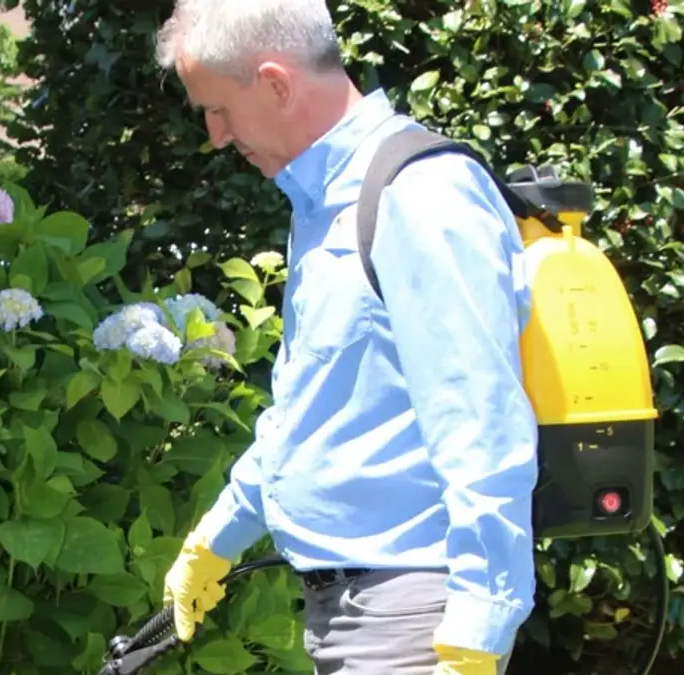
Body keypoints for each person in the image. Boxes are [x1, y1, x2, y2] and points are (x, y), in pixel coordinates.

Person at [154, 1, 539, 673]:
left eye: (219, 109)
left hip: (414, 619)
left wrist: (481, 625)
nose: (215, 136)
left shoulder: (418, 196)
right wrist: (219, 535)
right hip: (354, 611)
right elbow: (315, 410)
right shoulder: (323, 199)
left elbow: (484, 424)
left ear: (275, 82)